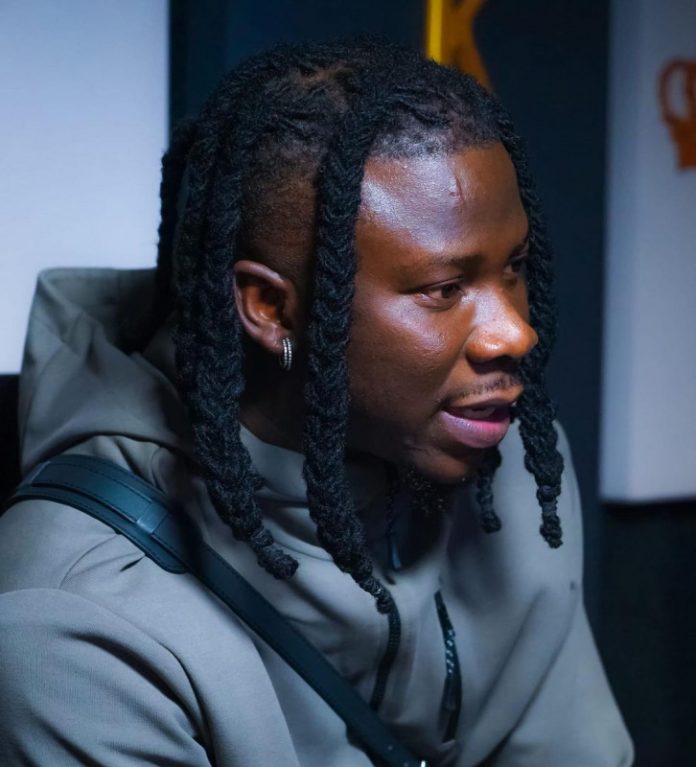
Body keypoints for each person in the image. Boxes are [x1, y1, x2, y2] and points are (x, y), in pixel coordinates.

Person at [0, 40, 633, 766]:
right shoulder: (69, 627)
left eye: (514, 267)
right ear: (271, 308)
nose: (516, 332)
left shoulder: (511, 463)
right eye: (444, 289)